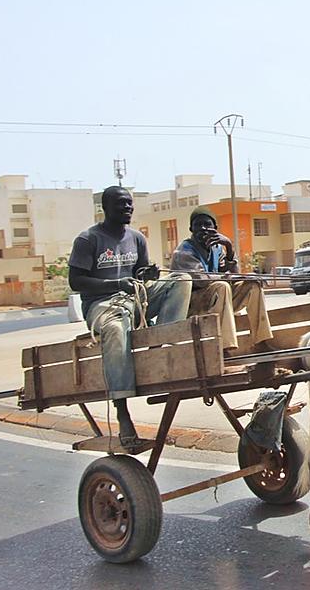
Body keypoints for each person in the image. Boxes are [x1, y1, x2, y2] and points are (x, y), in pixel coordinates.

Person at [68, 186, 192, 446]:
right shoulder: (88, 239)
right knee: (115, 329)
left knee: (181, 280)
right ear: (105, 208)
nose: (128, 208)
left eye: (130, 204)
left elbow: (140, 275)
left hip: (135, 298)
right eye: (121, 204)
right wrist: (115, 285)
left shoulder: (137, 238)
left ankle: (159, 342)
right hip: (102, 304)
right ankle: (122, 411)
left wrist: (148, 275)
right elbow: (76, 282)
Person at [170, 206, 274, 359]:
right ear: (191, 228)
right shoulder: (184, 250)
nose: (203, 229)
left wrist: (229, 247)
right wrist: (230, 278)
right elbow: (202, 281)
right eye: (198, 225)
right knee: (221, 286)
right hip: (192, 305)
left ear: (215, 228)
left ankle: (261, 341)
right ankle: (225, 348)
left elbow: (233, 272)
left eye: (207, 224)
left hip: (217, 301)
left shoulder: (217, 248)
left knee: (253, 285)